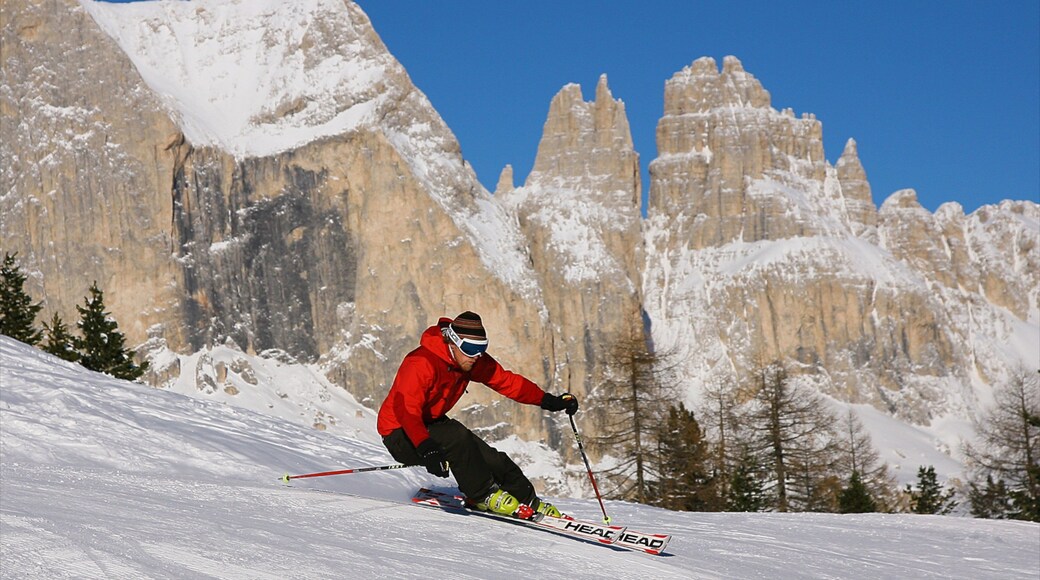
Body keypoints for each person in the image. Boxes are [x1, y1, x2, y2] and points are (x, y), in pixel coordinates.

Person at [377, 311, 579, 518]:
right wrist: (426, 447)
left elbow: (507, 382)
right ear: (452, 343)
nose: (476, 356)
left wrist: (549, 401)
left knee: (490, 457)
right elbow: (407, 411)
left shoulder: (469, 360)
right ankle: (482, 495)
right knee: (457, 436)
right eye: (471, 349)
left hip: (431, 424)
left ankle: (527, 499)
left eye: (482, 349)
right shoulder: (420, 363)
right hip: (401, 432)